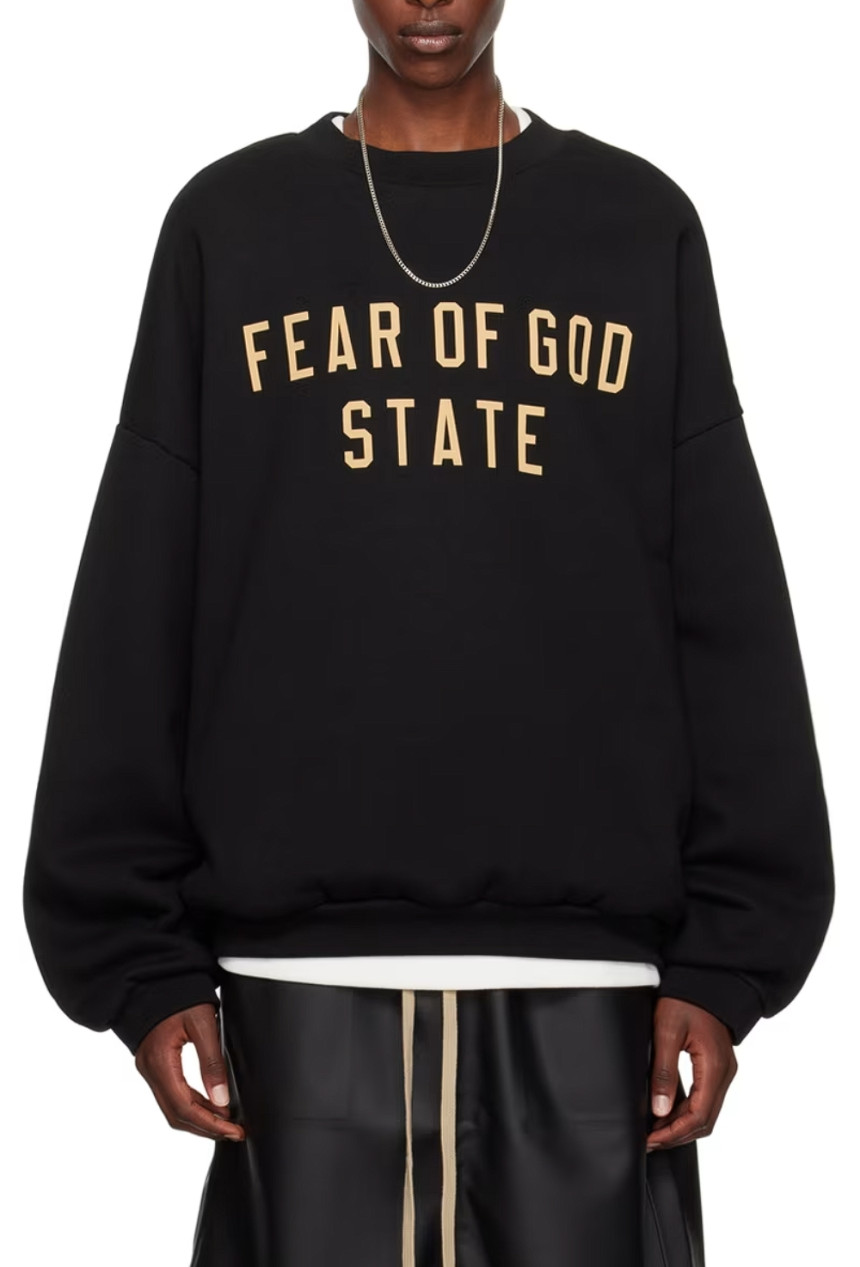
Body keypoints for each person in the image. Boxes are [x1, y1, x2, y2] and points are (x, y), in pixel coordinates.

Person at [22, 2, 834, 1264]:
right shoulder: (232, 226)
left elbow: (723, 598)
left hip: (591, 995)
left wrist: (728, 960)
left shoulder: (634, 227)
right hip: (294, 991)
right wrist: (136, 961)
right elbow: (143, 587)